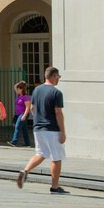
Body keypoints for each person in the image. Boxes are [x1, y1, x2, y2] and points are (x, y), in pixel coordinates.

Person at [17, 66, 67, 194]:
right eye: (58, 77)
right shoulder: (56, 93)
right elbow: (58, 113)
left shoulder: (36, 90)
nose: (58, 79)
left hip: (38, 128)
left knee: (41, 153)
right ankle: (55, 187)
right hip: (52, 128)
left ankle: (25, 171)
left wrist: (38, 119)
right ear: (54, 76)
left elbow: (32, 108)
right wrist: (62, 131)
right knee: (56, 158)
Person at [10, 81, 32, 147]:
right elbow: (14, 87)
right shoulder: (19, 96)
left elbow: (28, 107)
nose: (16, 90)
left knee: (17, 126)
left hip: (23, 114)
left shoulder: (25, 97)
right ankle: (27, 143)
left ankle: (14, 141)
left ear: (21, 89)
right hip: (18, 114)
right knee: (24, 129)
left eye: (18, 89)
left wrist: (24, 115)